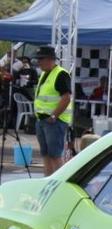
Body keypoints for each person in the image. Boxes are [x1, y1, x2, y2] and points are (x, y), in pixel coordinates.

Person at [33, 46, 73, 176]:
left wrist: (54, 116)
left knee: (55, 155)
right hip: (43, 119)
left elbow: (66, 98)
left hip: (54, 121)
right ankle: (48, 181)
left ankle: (58, 182)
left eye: (41, 59)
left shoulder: (61, 74)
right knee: (46, 154)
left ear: (50, 59)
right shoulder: (45, 74)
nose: (38, 62)